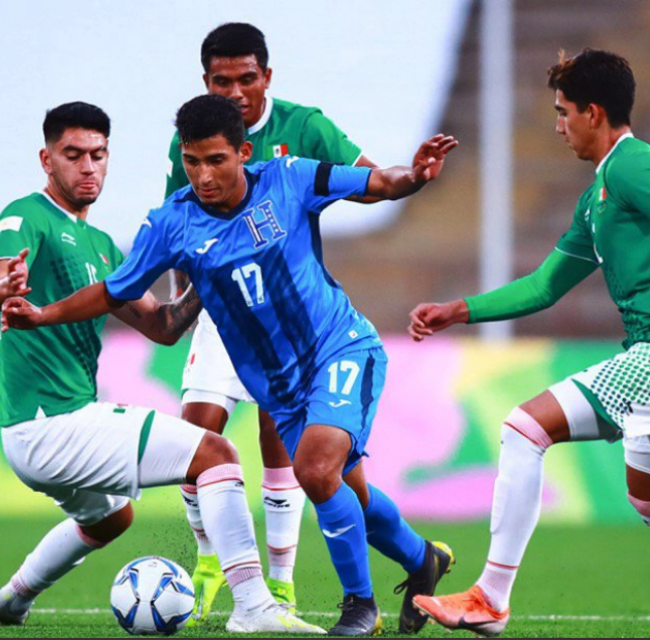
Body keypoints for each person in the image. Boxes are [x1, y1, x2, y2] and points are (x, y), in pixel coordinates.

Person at [2, 94, 459, 637]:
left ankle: (359, 606)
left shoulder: (289, 178)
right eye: (192, 162)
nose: (203, 175)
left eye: (216, 160)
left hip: (340, 347)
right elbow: (117, 293)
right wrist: (43, 315)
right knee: (348, 491)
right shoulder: (173, 222)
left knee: (315, 471)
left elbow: (377, 183)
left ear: (243, 152)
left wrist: (417, 175)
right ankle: (421, 558)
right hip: (279, 386)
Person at [408, 49, 650, 639]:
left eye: (563, 112)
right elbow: (546, 285)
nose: (558, 125)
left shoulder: (634, 166)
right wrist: (459, 310)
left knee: (523, 428)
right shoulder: (599, 194)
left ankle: (490, 597)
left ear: (594, 112)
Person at [0, 101, 323, 635]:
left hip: (47, 430)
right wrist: (2, 287)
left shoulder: (102, 247)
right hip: (51, 424)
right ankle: (254, 605)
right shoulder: (26, 216)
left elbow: (162, 326)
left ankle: (9, 600)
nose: (88, 166)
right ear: (46, 160)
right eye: (73, 155)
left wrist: (207, 277)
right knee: (216, 454)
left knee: (111, 516)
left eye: (98, 154)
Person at [164, 23, 379, 619]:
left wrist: (377, 182)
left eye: (246, 78)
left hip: (286, 318)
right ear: (205, 81)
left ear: (267, 77)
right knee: (196, 435)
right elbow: (175, 230)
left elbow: (366, 177)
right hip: (219, 310)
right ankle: (210, 558)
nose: (234, 91)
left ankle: (280, 584)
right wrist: (184, 303)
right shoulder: (191, 138)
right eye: (220, 80)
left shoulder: (304, 127)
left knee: (278, 444)